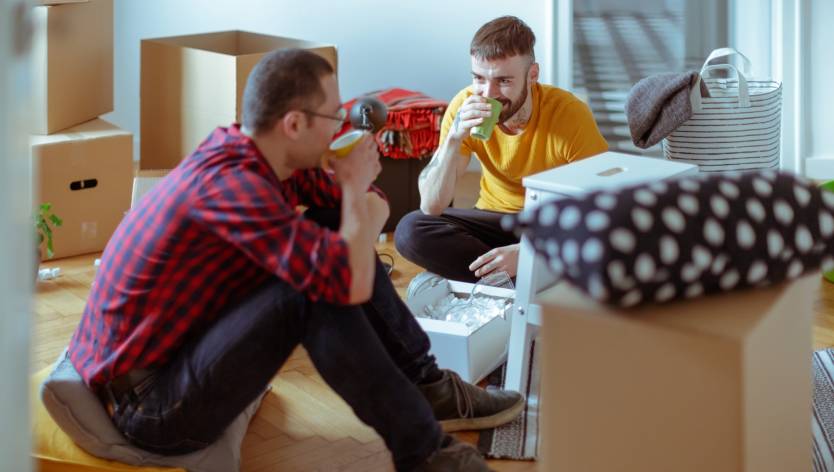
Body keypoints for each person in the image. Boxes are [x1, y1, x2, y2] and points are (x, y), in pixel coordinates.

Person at [66, 49, 524, 472]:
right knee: (309, 293)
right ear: (294, 124)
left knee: (330, 225)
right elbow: (348, 280)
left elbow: (371, 207)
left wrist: (355, 196)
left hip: (179, 354)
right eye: (333, 116)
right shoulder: (236, 189)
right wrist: (355, 198)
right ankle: (426, 452)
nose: (340, 127)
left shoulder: (263, 152)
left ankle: (428, 386)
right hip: (148, 403)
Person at [395, 16, 608, 283]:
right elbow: (431, 206)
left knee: (605, 246)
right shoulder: (463, 106)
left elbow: (602, 206)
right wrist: (453, 140)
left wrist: (529, 250)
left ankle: (511, 280)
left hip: (550, 225)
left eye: (503, 81)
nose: (488, 93)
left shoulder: (569, 114)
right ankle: (523, 283)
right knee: (410, 230)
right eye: (479, 78)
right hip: (493, 220)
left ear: (532, 76)